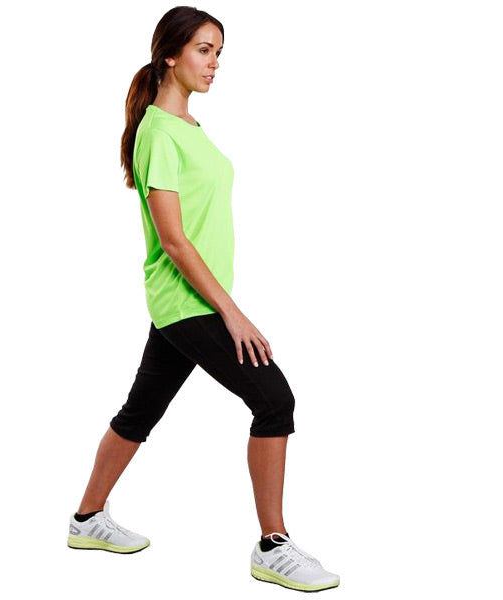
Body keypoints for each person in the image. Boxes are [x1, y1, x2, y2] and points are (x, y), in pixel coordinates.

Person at [67, 6, 340, 593]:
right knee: (275, 400)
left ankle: (86, 519)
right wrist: (232, 313)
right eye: (203, 50)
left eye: (219, 53)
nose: (215, 63)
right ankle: (273, 546)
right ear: (170, 55)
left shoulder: (185, 126)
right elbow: (173, 238)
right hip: (187, 301)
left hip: (187, 301)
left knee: (140, 411)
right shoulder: (159, 132)